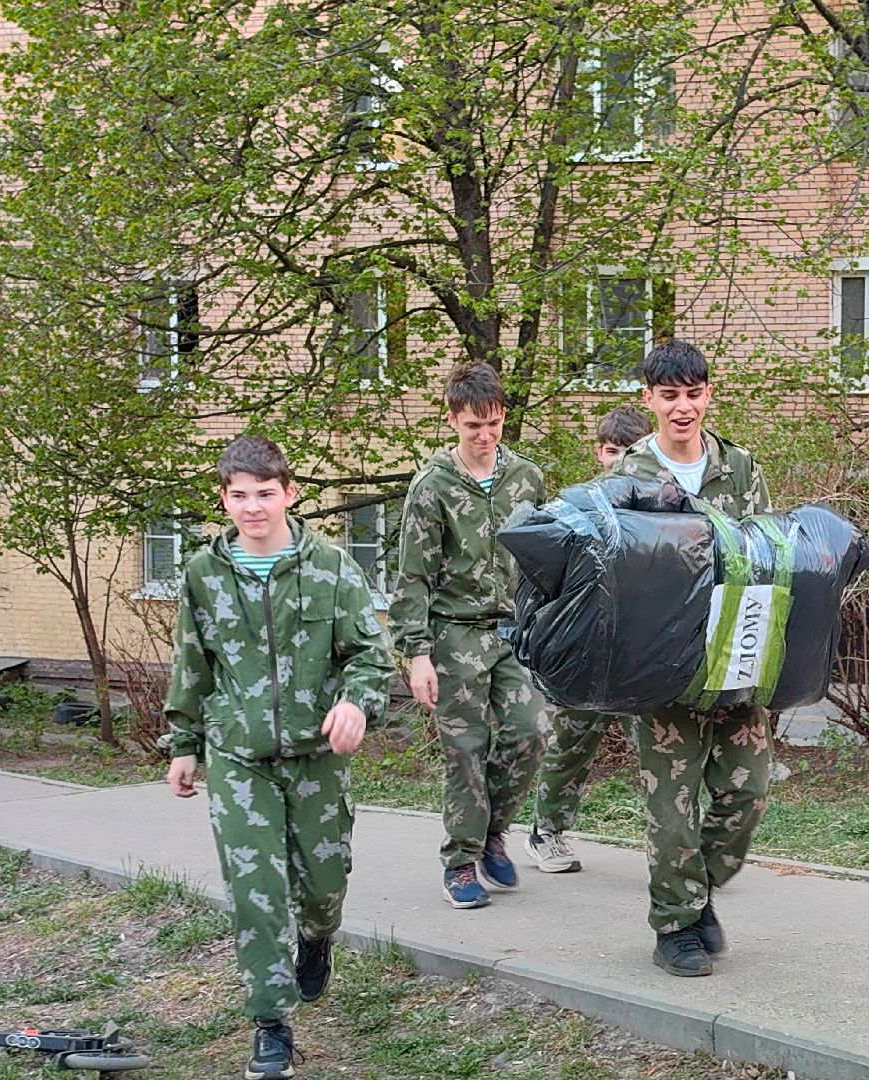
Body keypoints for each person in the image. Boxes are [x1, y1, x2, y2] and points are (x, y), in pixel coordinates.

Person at [164, 434, 391, 1080]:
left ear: (290, 494)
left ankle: (317, 939)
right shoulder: (205, 574)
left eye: (265, 494)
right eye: (239, 496)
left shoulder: (333, 568)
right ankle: (270, 1024)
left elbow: (370, 656)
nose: (253, 507)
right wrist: (183, 744)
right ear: (224, 500)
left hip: (317, 756)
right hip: (239, 759)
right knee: (256, 893)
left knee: (322, 890)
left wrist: (357, 704)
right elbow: (192, 663)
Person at [609, 339, 775, 978]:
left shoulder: (740, 468)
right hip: (660, 668)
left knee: (749, 793)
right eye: (669, 396)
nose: (683, 408)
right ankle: (674, 926)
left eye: (693, 393)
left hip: (736, 656)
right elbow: (611, 568)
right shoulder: (626, 476)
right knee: (672, 809)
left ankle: (696, 890)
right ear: (649, 400)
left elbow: (766, 554)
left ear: (709, 393)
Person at [391, 363, 548, 909]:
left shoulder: (526, 478)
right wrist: (416, 654)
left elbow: (541, 558)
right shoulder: (431, 487)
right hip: (454, 634)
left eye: (494, 424)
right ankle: (460, 861)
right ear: (452, 420)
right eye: (472, 426)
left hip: (512, 632)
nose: (484, 437)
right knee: (465, 748)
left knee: (532, 730)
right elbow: (413, 576)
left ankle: (491, 832)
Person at [524, 403, 653, 874]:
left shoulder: (655, 505)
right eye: (615, 452)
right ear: (600, 451)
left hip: (640, 651)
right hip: (586, 651)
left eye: (632, 453)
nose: (621, 462)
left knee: (658, 746)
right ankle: (547, 829)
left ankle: (671, 844)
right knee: (573, 740)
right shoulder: (577, 506)